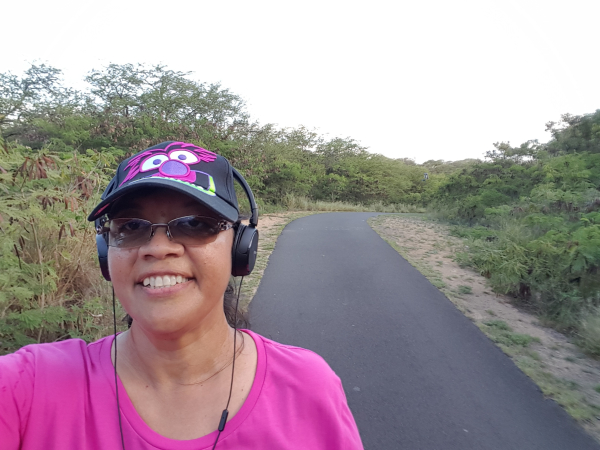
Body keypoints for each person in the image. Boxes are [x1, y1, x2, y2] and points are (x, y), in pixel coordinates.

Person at [0, 141, 363, 449]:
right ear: (106, 252)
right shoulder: (26, 385)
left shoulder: (307, 386)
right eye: (131, 226)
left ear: (240, 248)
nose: (158, 248)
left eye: (195, 224)